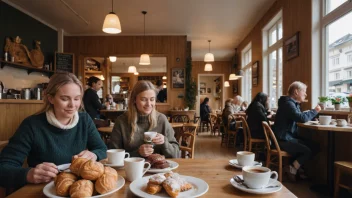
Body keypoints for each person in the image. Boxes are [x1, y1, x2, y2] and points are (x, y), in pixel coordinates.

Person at [0, 72, 107, 189]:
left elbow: (102, 149)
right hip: (41, 190)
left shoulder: (84, 120)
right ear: (50, 98)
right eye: (65, 99)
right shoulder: (32, 125)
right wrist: (29, 174)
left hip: (76, 188)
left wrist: (94, 154)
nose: (72, 105)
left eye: (77, 99)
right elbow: (4, 167)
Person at [109, 80, 179, 158]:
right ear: (134, 100)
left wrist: (164, 142)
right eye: (143, 99)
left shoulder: (161, 119)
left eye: (152, 99)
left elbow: (176, 154)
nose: (148, 104)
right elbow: (113, 156)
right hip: (131, 169)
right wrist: (137, 153)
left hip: (159, 169)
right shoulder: (122, 121)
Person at [274, 81, 321, 181]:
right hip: (283, 139)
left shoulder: (291, 103)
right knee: (307, 151)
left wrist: (311, 117)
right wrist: (315, 111)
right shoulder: (288, 104)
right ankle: (293, 168)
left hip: (288, 136)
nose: (305, 94)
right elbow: (301, 118)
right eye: (304, 91)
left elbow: (299, 116)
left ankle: (295, 166)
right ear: (296, 92)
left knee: (315, 146)